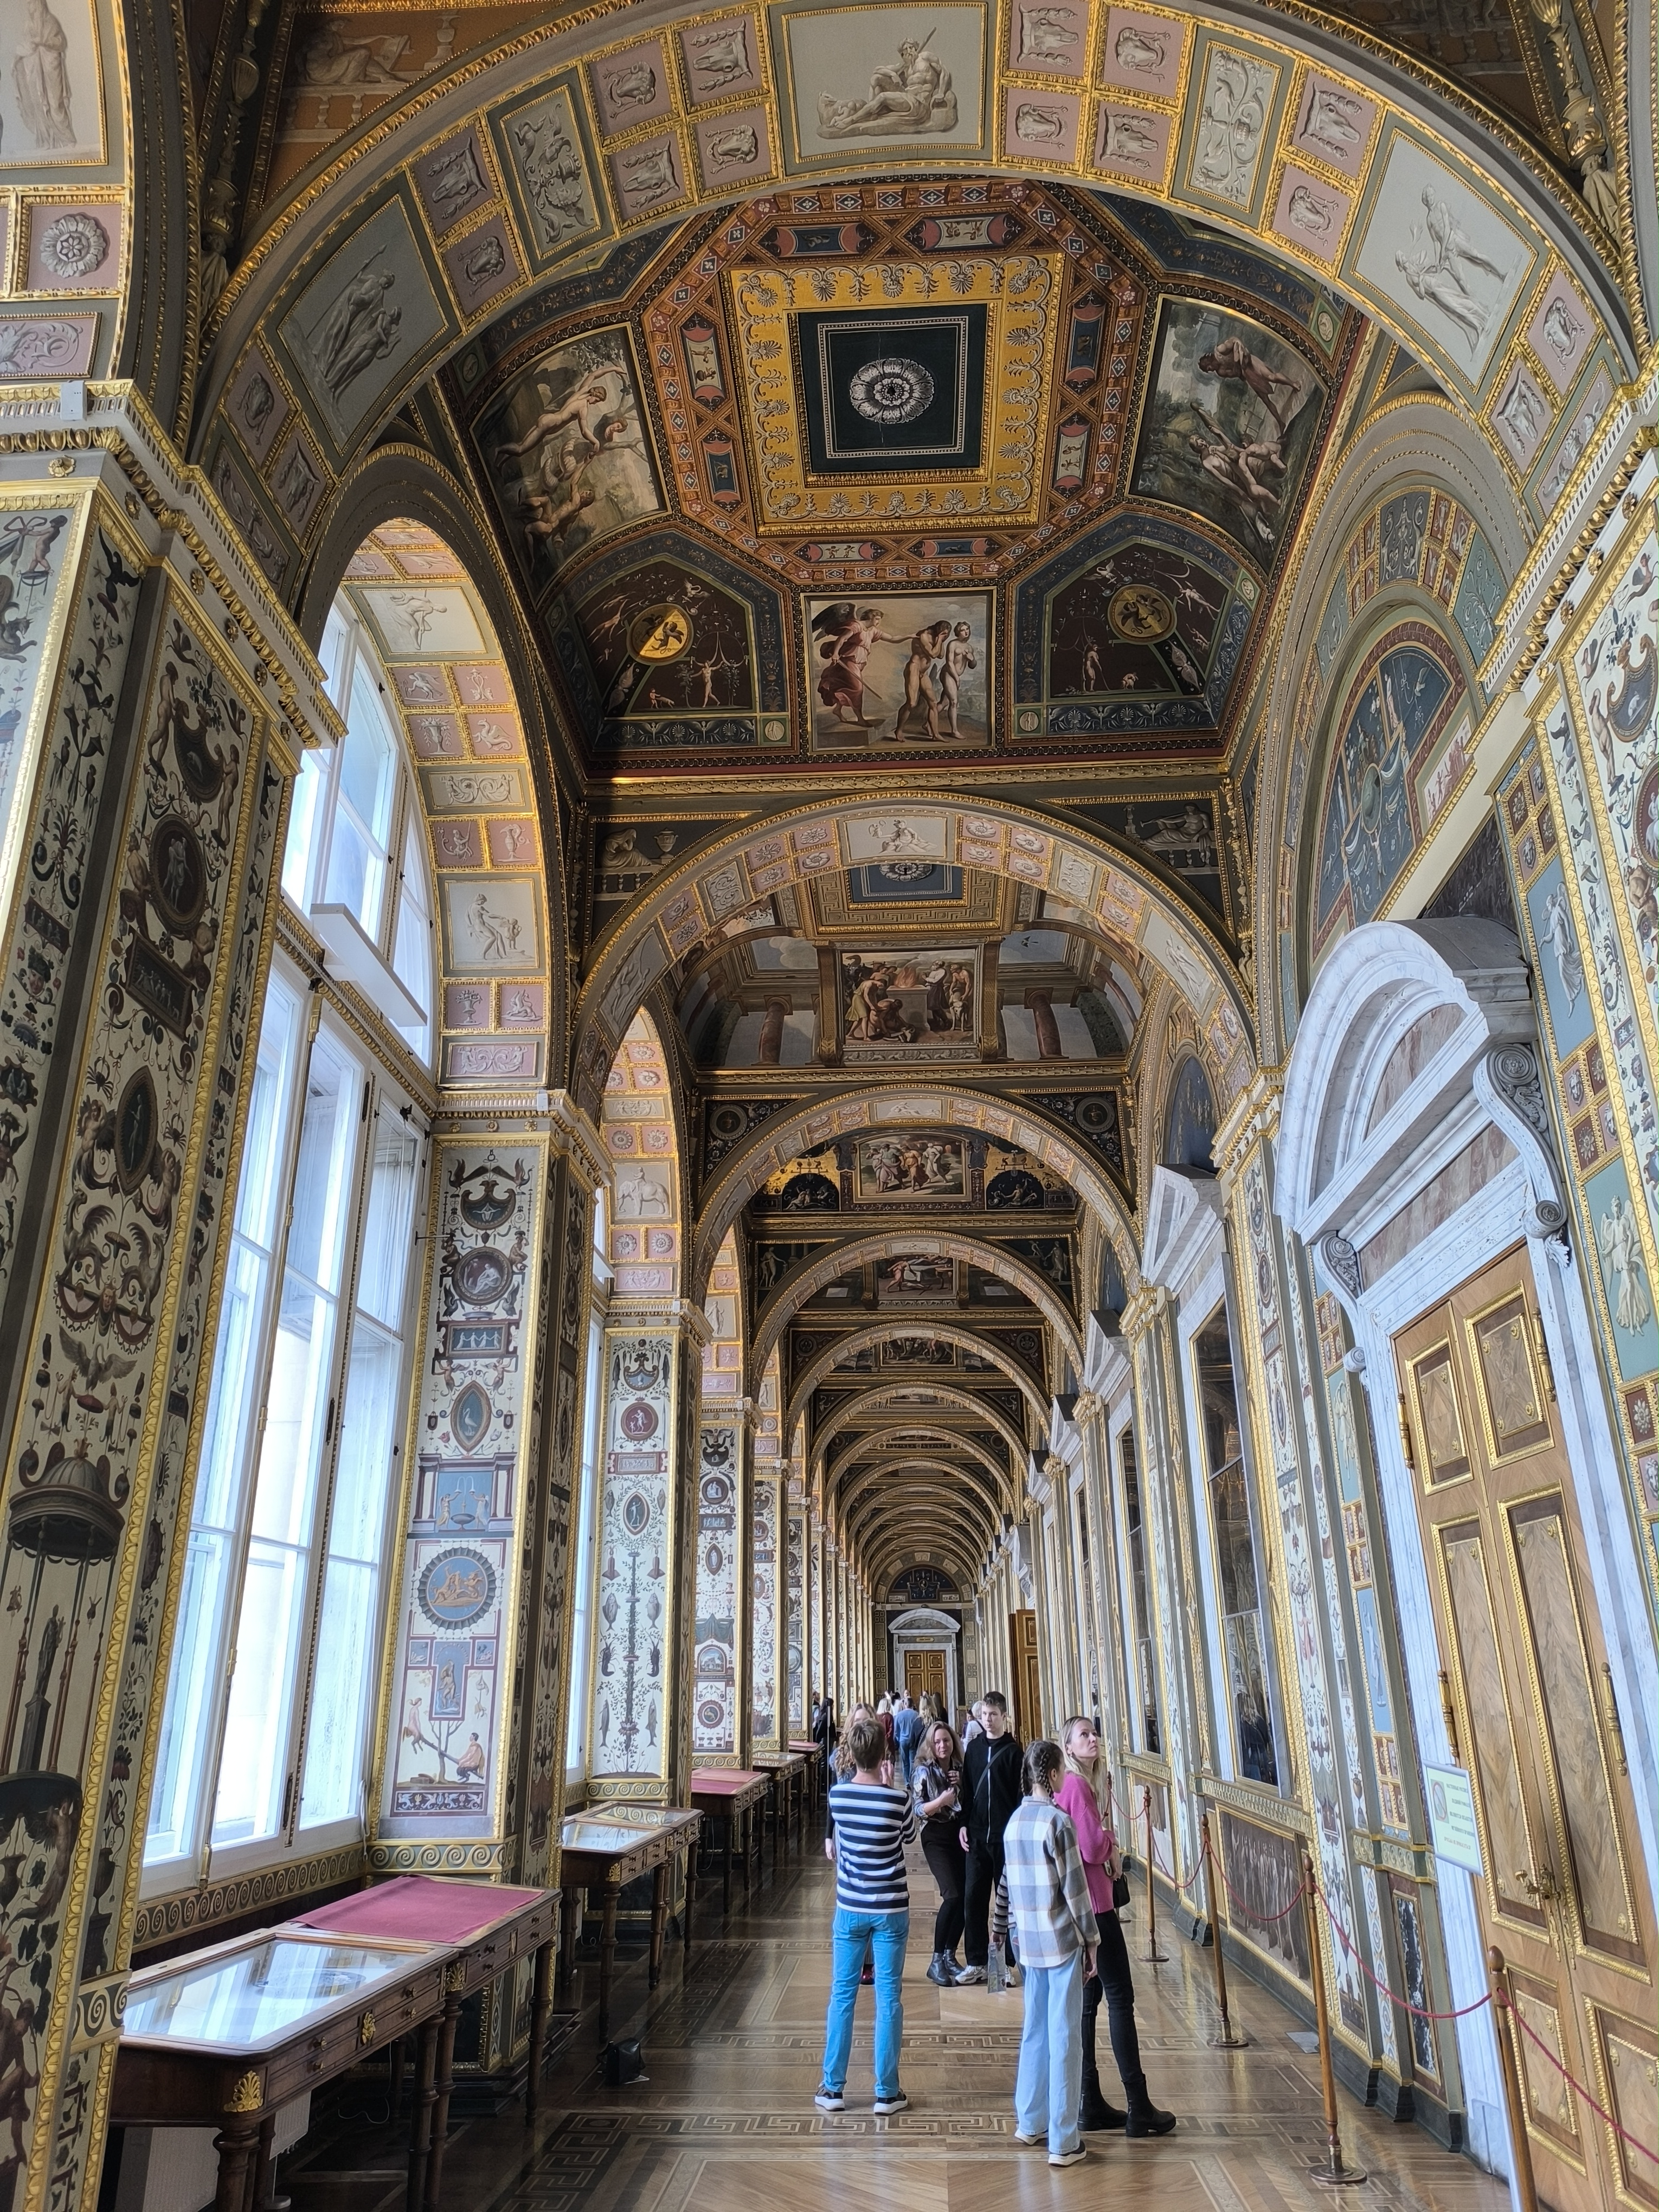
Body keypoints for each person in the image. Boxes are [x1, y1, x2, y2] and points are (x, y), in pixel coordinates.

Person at [1056, 1717, 1176, 2137]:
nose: (1093, 1739)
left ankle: (1089, 2101)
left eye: (1094, 1733)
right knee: (1121, 1998)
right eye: (1084, 1735)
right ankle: (1138, 2105)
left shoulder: (1072, 1784)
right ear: (1068, 1747)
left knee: (1089, 2003)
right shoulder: (1076, 1786)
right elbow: (1091, 1847)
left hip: (1081, 1905)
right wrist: (1110, 1841)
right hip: (1097, 1907)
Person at [816, 1714, 916, 2115]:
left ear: (851, 1754)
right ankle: (887, 2093)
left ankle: (833, 2089)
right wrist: (890, 1788)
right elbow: (909, 1837)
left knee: (842, 1995)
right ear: (885, 1753)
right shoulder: (898, 1800)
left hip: (851, 1907)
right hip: (890, 1907)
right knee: (888, 1998)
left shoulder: (838, 1797)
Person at [1004, 1739, 1096, 2166]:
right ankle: (1064, 2138)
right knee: (1065, 2036)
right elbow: (1076, 1892)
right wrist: (1092, 1940)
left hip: (1028, 1941)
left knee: (1034, 2030)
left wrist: (1008, 1933)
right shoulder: (1059, 1823)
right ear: (1055, 1774)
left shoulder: (1015, 1822)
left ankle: (1030, 2120)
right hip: (1060, 1942)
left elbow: (1007, 1887)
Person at [957, 1690, 1021, 1982]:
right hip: (977, 1836)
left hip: (1005, 1839)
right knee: (974, 1899)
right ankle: (977, 1962)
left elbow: (1019, 1798)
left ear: (1004, 1716)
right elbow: (967, 1791)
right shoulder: (973, 1749)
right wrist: (963, 1824)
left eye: (993, 1715)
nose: (988, 1720)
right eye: (984, 1715)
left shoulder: (1015, 1752)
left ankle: (1003, 1965)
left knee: (1005, 1904)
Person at [914, 1720, 966, 1983]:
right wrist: (941, 1801)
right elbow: (918, 1810)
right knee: (952, 1894)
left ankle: (949, 1955)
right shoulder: (923, 1771)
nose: (943, 1746)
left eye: (946, 1740)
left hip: (958, 1833)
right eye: (937, 1742)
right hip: (934, 1835)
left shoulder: (960, 1768)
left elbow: (968, 1802)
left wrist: (963, 1783)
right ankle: (936, 1960)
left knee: (966, 1897)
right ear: (931, 1746)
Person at [892, 1691, 925, 1786]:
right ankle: (912, 1779)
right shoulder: (916, 1715)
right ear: (912, 1704)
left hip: (903, 1741)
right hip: (913, 1740)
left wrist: (899, 1739)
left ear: (905, 1704)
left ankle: (907, 1781)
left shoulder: (899, 1715)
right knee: (912, 1761)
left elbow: (896, 1731)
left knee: (905, 1762)